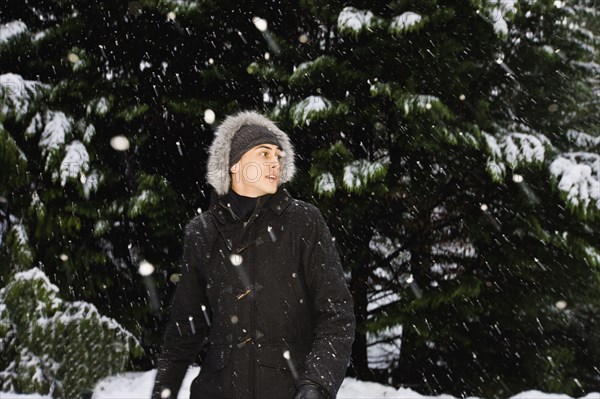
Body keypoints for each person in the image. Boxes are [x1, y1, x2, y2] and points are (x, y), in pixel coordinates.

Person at [152, 110, 355, 399]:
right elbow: (183, 334)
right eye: (263, 154)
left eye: (278, 155)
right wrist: (162, 393)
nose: (275, 162)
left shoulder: (304, 222)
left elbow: (337, 315)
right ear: (234, 165)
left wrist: (317, 386)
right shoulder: (203, 232)